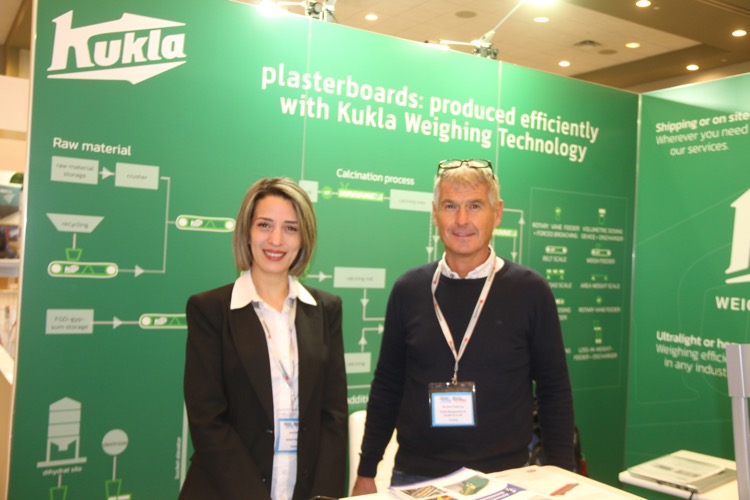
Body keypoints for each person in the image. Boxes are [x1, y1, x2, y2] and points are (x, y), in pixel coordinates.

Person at [352, 159, 575, 495]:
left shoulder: (531, 291)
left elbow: (553, 389)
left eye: (474, 206)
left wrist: (562, 476)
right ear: (434, 214)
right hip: (418, 477)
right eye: (450, 206)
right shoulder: (409, 289)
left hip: (506, 477)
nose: (461, 220)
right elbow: (387, 385)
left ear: (497, 213)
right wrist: (366, 470)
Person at [180, 177, 348, 500]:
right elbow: (207, 421)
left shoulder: (326, 309)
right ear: (247, 231)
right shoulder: (210, 310)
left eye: (290, 228)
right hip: (226, 491)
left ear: (304, 238)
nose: (276, 240)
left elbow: (334, 417)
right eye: (264, 225)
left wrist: (324, 495)